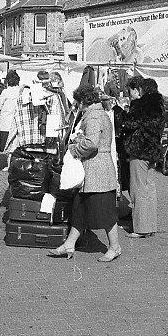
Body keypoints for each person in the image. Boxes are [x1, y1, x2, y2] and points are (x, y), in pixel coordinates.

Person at [48, 84, 121, 262]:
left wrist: (74, 148)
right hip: (95, 170)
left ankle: (115, 247)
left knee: (104, 212)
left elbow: (92, 144)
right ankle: (69, 244)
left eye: (77, 103)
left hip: (98, 171)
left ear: (83, 102)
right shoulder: (99, 113)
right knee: (79, 209)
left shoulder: (93, 116)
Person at [121, 77, 164, 238]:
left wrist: (120, 111)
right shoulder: (158, 104)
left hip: (139, 151)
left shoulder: (142, 105)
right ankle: (150, 226)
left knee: (138, 190)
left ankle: (140, 228)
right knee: (149, 189)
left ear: (138, 90)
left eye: (131, 91)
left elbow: (129, 123)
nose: (130, 95)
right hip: (152, 151)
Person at [0, 70, 21, 154]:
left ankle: (8, 164)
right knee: (15, 143)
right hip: (17, 121)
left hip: (6, 121)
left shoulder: (5, 92)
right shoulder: (20, 91)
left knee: (6, 143)